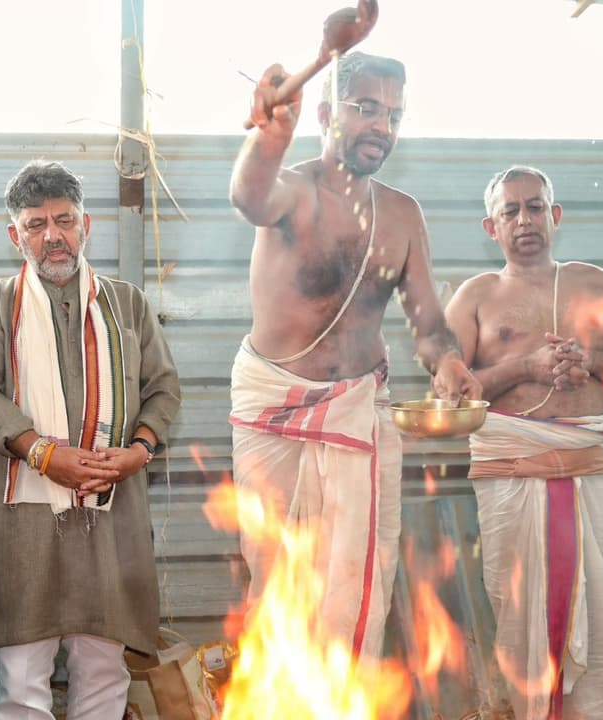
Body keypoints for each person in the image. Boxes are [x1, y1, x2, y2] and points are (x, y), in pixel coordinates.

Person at [228, 51, 480, 660]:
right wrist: (270, 137)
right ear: (324, 112)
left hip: (360, 411)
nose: (381, 127)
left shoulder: (403, 214)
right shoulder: (294, 191)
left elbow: (427, 324)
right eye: (365, 108)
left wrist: (446, 362)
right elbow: (247, 195)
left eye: (393, 114)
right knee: (278, 584)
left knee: (358, 585)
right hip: (275, 413)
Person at [0, 160, 181, 720]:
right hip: (21, 516)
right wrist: (44, 453)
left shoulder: (126, 303)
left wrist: (139, 451)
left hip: (111, 508)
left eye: (64, 220)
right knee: (23, 675)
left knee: (105, 669)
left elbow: (163, 389)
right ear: (16, 235)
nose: (52, 236)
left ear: (88, 225)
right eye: (35, 224)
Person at [444, 166, 603, 719]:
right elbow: (448, 398)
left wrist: (593, 364)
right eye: (509, 211)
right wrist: (524, 366)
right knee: (521, 617)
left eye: (535, 207)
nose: (524, 220)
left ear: (554, 216)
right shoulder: (475, 297)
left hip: (589, 471)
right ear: (490, 227)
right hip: (511, 477)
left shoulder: (594, 283)